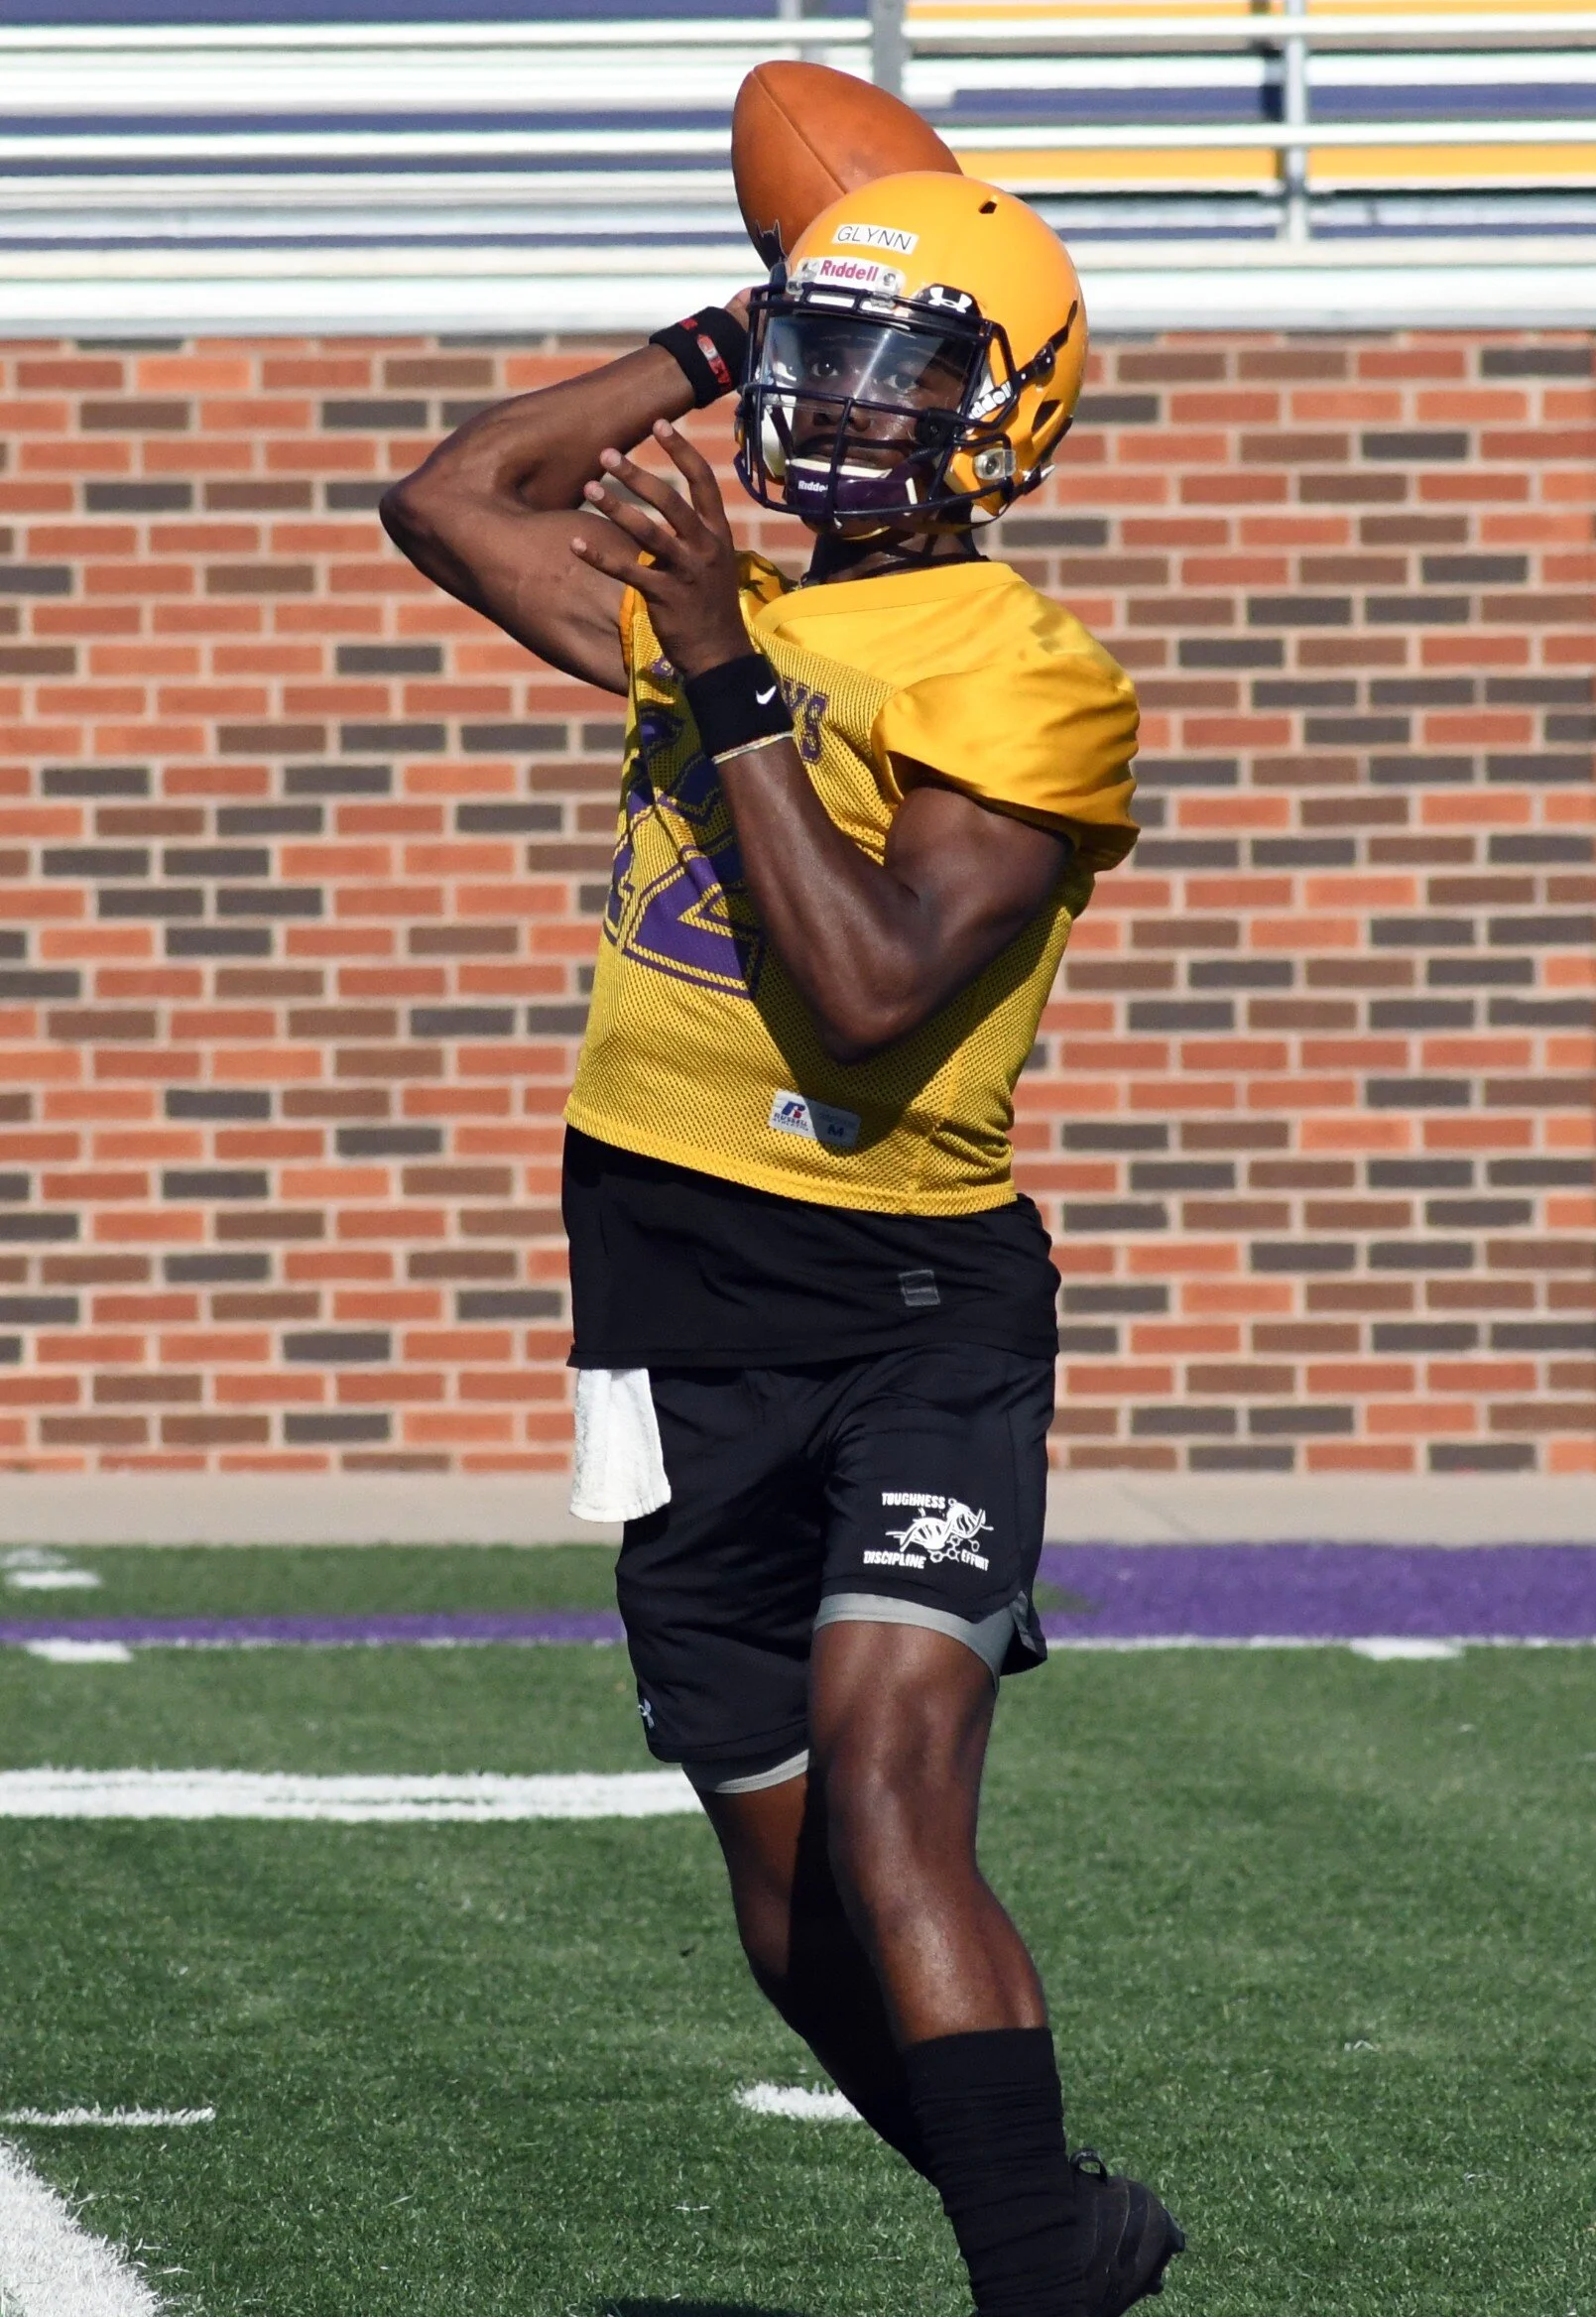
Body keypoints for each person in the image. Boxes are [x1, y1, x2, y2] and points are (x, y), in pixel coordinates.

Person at [382, 169, 1183, 2317]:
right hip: (658, 1305)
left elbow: (870, 995)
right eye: (821, 362)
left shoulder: (1028, 671)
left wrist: (727, 658)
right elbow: (456, 497)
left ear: (1003, 422)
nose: (836, 408)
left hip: (899, 1297)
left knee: (894, 1779)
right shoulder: (725, 597)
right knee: (786, 1897)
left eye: (890, 372)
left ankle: (1028, 2274)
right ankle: (1064, 2232)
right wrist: (725, 335)